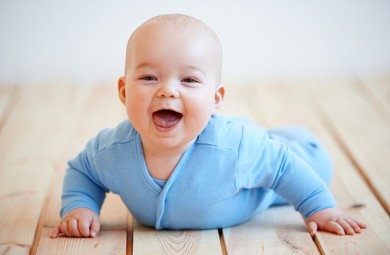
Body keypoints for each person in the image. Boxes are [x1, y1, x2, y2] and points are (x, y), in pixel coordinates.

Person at [50, 14, 366, 239]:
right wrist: (80, 207)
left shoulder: (235, 148)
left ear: (215, 99)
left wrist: (319, 208)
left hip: (280, 160)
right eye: (149, 77)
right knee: (262, 144)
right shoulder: (111, 151)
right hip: (250, 144)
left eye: (188, 80)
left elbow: (284, 167)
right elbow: (82, 171)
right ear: (123, 91)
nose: (168, 91)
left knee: (308, 161)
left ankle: (283, 137)